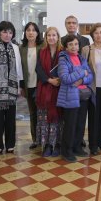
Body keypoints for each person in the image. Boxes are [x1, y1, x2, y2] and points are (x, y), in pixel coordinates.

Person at [0, 21, 23, 154]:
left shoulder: (15, 47)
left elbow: (18, 68)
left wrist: (20, 86)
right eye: (4, 32)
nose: (8, 35)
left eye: (10, 32)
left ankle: (10, 144)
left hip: (12, 87)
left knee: (11, 118)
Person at [57, 34, 94, 162]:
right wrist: (82, 72)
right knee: (70, 125)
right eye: (71, 44)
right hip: (70, 96)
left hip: (83, 95)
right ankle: (67, 151)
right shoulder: (63, 59)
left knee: (80, 124)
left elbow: (90, 76)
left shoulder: (81, 58)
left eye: (76, 44)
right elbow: (65, 78)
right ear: (66, 47)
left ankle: (77, 147)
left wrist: (82, 80)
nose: (74, 47)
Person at [82, 23, 101, 154]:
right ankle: (93, 145)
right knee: (93, 116)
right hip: (92, 87)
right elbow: (82, 68)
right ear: (92, 35)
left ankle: (100, 141)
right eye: (96, 33)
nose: (99, 35)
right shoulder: (86, 49)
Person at [36, 27, 62, 157]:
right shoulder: (41, 52)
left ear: (58, 37)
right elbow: (38, 69)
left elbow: (66, 68)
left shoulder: (63, 52)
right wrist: (49, 80)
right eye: (49, 35)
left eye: (54, 35)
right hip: (45, 88)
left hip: (59, 90)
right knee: (45, 119)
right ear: (46, 37)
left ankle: (57, 144)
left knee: (58, 118)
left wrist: (59, 80)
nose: (51, 38)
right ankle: (47, 145)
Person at [21, 22, 43, 149]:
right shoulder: (21, 48)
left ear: (37, 33)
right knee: (33, 113)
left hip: (41, 85)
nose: (31, 32)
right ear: (25, 33)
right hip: (28, 86)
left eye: (33, 30)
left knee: (42, 113)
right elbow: (19, 69)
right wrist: (21, 86)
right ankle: (35, 139)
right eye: (28, 30)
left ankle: (44, 138)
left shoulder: (42, 47)